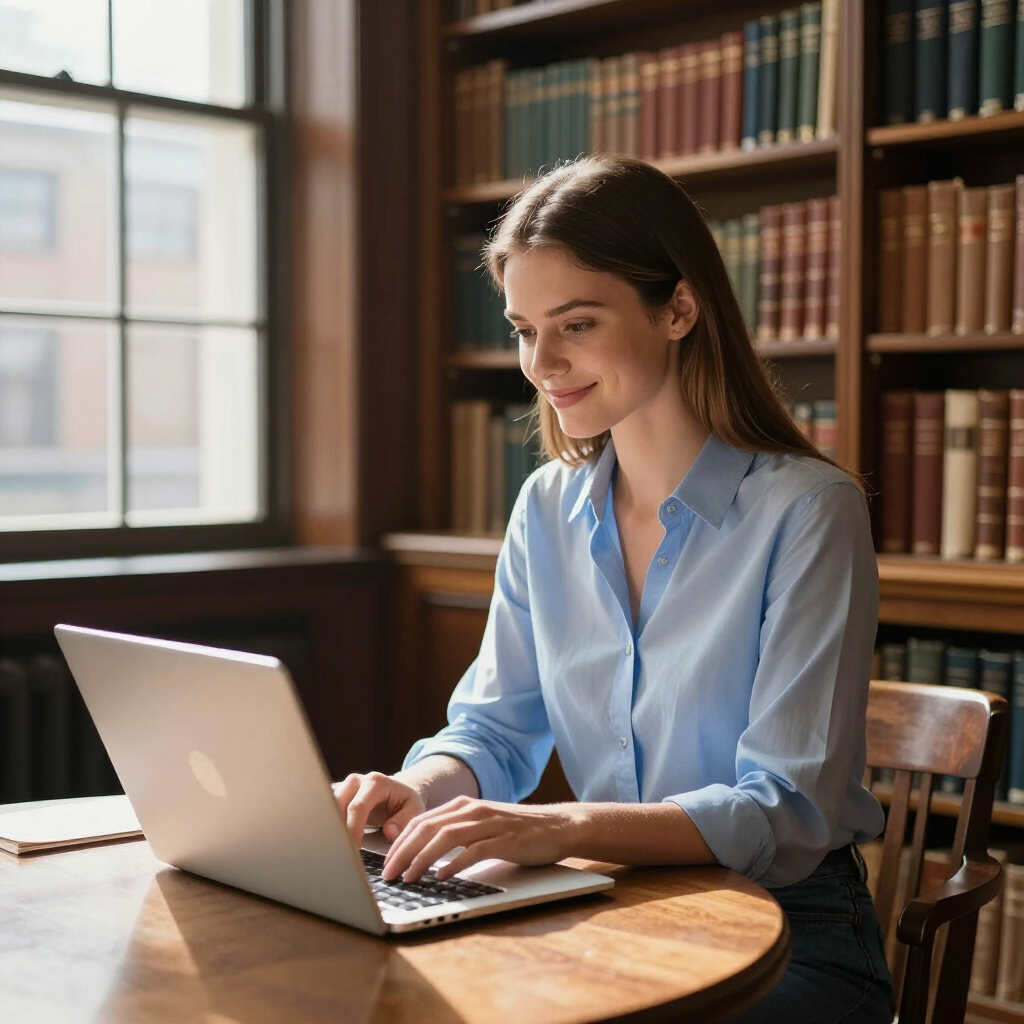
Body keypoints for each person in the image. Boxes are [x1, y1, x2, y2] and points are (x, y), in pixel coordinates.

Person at [334, 154, 895, 1022]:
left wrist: (557, 829)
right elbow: (493, 728)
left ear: (678, 307)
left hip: (792, 931)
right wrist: (424, 788)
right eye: (524, 328)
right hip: (611, 907)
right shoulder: (546, 508)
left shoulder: (809, 512)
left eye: (577, 324)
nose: (541, 362)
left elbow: (783, 810)